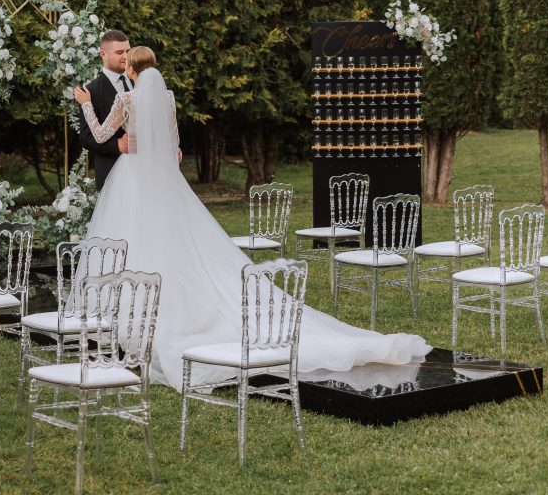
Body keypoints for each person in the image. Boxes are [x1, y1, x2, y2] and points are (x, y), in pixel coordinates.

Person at [74, 46, 430, 389]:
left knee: (130, 240)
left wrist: (87, 106)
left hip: (132, 177)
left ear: (132, 71)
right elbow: (174, 145)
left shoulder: (126, 100)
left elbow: (102, 134)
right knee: (176, 241)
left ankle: (125, 317)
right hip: (164, 180)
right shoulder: (167, 100)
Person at [76, 29, 133, 189]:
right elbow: (86, 137)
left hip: (144, 169)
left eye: (128, 51)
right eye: (119, 52)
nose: (126, 56)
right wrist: (117, 146)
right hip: (112, 170)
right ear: (103, 54)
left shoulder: (140, 80)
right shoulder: (90, 91)